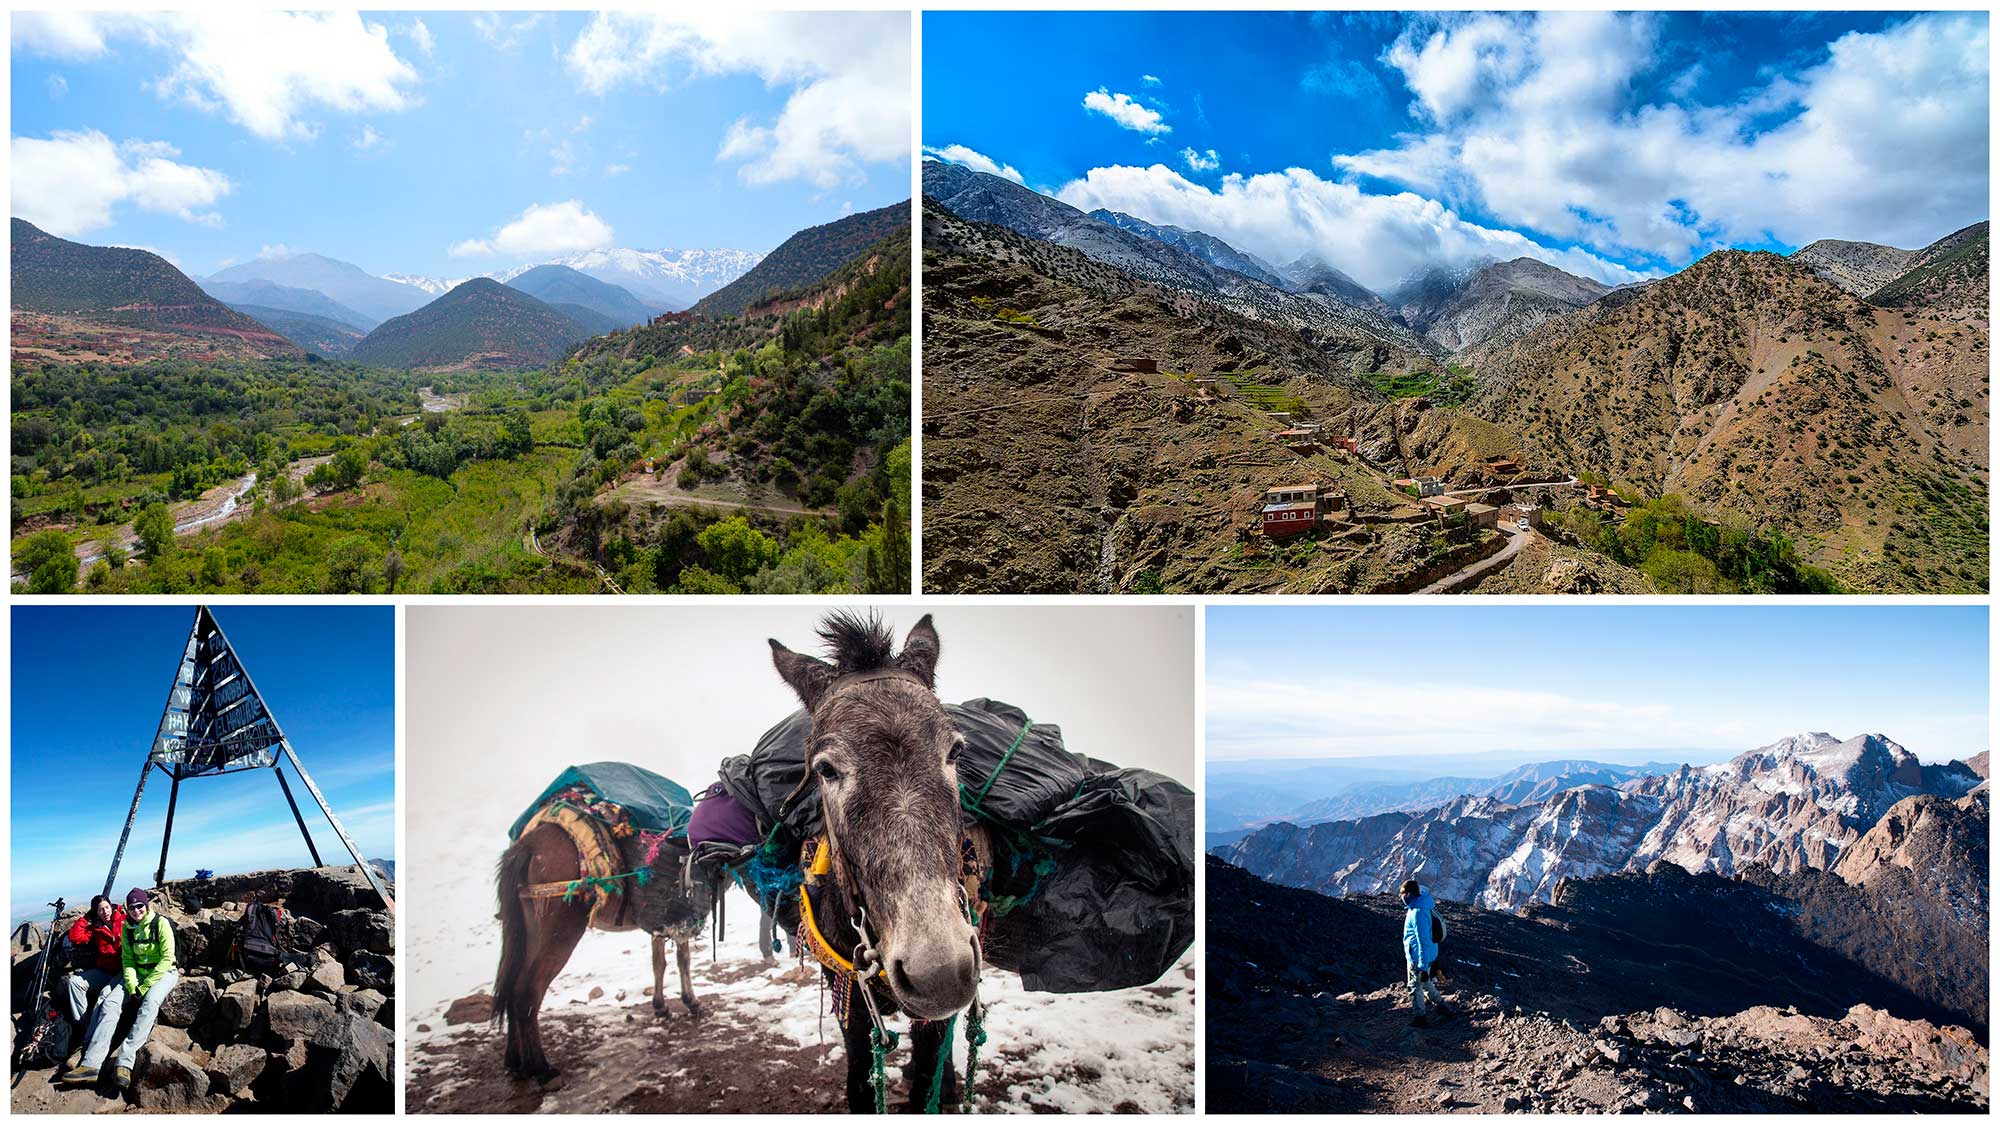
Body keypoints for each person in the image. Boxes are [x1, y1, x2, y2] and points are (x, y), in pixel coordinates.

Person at [58, 888, 178, 1091]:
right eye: (132, 907)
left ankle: (125, 1062)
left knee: (149, 1004)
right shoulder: (128, 927)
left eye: (140, 905)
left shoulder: (160, 923)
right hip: (136, 972)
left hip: (164, 972)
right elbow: (129, 960)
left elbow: (167, 959)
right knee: (110, 1003)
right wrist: (132, 985)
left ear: (146, 905)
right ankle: (91, 1065)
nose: (136, 910)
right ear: (128, 909)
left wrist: (145, 987)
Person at [1400, 878, 1456, 1028]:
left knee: (1415, 986)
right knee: (1425, 983)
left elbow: (1423, 941)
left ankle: (1420, 1018)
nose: (1402, 898)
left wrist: (1424, 966)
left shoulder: (1418, 913)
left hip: (1419, 958)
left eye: (1403, 894)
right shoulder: (1422, 906)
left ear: (1410, 894)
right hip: (1426, 955)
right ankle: (1443, 1008)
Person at [61, 896, 126, 1024]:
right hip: (105, 972)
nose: (105, 912)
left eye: (107, 907)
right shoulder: (96, 929)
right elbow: (75, 937)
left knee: (104, 997)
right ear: (96, 912)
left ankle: (100, 1030)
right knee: (74, 982)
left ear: (111, 906)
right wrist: (86, 918)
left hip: (123, 971)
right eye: (100, 910)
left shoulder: (124, 919)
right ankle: (84, 1025)